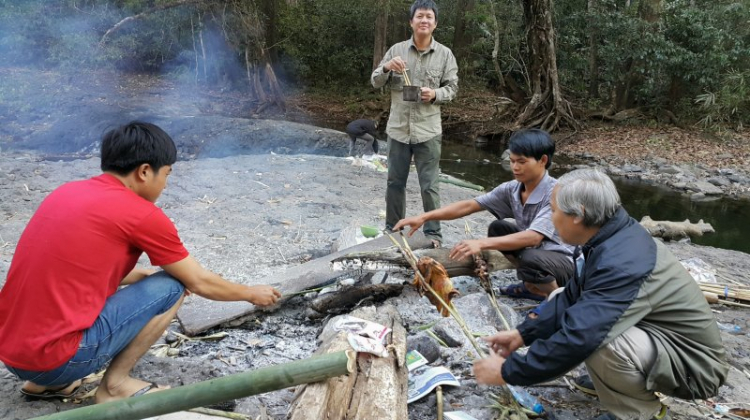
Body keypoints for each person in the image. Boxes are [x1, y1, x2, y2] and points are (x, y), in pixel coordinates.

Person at [0, 121, 282, 404]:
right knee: (173, 284)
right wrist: (250, 293)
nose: (166, 184)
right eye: (167, 174)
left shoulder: (66, 192)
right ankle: (116, 385)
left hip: (13, 356)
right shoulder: (141, 214)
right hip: (57, 361)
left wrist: (136, 276)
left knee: (155, 279)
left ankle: (47, 385)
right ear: (145, 171)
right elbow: (199, 281)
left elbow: (72, 267)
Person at [473, 169, 729, 420]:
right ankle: (613, 382)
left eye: (553, 211)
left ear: (578, 215)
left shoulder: (622, 261)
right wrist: (522, 334)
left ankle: (639, 412)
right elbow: (571, 296)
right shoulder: (611, 237)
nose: (551, 219)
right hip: (662, 341)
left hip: (695, 368)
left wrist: (510, 371)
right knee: (559, 296)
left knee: (602, 339)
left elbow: (582, 337)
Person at [393, 129, 574, 301]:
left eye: (521, 162)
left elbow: (534, 238)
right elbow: (470, 205)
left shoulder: (556, 192)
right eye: (512, 161)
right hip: (539, 254)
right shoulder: (512, 189)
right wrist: (425, 217)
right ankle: (532, 286)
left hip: (565, 263)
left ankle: (555, 297)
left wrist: (479, 243)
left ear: (542, 160)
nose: (514, 167)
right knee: (498, 228)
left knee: (530, 258)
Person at [371, 0, 459, 246]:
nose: (424, 20)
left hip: (428, 131)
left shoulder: (445, 54)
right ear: (411, 22)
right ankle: (393, 229)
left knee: (429, 185)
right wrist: (387, 67)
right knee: (394, 183)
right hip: (399, 130)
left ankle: (433, 233)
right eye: (419, 16)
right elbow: (375, 81)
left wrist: (435, 94)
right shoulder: (397, 49)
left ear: (435, 23)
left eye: (429, 17)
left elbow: (452, 88)